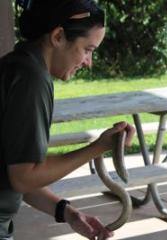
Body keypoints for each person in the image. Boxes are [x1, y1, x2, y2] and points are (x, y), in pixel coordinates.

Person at [0, 0, 135, 239]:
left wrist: (69, 213)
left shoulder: (18, 65)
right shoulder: (32, 79)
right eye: (87, 50)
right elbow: (24, 177)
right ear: (58, 36)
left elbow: (15, 173)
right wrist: (98, 147)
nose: (88, 62)